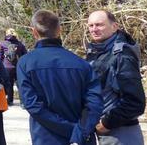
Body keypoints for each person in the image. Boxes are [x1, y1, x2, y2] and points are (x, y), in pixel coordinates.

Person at [18, 10, 103, 145]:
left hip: (45, 137)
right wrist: (78, 132)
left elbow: (32, 105)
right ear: (59, 30)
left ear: (34, 32)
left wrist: (71, 130)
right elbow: (95, 104)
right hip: (80, 139)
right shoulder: (82, 64)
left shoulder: (25, 63)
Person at [86, 10, 146, 144]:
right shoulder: (97, 53)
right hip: (106, 134)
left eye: (99, 25)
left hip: (121, 134)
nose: (94, 29)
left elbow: (135, 102)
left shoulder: (122, 56)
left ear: (114, 27)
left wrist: (106, 123)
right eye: (91, 25)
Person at [0, 28, 28, 105]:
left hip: (6, 67)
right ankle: (23, 102)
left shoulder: (2, 44)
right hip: (18, 67)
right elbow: (25, 55)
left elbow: (0, 56)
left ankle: (9, 101)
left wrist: (0, 66)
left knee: (9, 84)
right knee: (19, 84)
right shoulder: (20, 44)